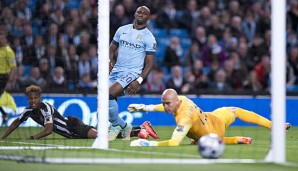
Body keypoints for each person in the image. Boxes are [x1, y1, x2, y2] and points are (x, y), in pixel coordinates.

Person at [129, 89, 291, 146]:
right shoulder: (182, 100)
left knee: (199, 140)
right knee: (235, 111)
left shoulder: (185, 118)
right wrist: (145, 107)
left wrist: (147, 144)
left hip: (214, 133)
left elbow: (173, 143)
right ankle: (240, 139)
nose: (165, 107)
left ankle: (273, 126)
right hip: (211, 118)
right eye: (163, 103)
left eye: (168, 104)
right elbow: (164, 105)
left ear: (176, 102)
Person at [0, 85, 159, 140]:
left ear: (39, 98)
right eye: (30, 99)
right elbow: (15, 122)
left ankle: (141, 129)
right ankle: (141, 128)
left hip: (73, 126)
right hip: (71, 133)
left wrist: (33, 137)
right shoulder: (28, 110)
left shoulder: (45, 107)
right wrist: (3, 137)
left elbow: (49, 129)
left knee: (103, 137)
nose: (33, 101)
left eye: (35, 98)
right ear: (27, 99)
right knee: (104, 134)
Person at [108, 6, 156, 141]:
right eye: (139, 11)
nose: (140, 14)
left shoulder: (149, 37)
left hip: (132, 73)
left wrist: (138, 80)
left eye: (144, 13)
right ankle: (126, 127)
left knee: (109, 94)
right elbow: (111, 49)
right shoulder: (122, 30)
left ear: (148, 17)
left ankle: (116, 126)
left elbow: (150, 64)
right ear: (135, 13)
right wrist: (108, 61)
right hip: (117, 70)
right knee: (103, 102)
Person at [0, 32, 17, 125]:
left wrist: (10, 81)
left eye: (2, 39)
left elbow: (14, 67)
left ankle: (4, 114)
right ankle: (4, 114)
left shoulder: (9, 51)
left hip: (3, 77)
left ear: (5, 39)